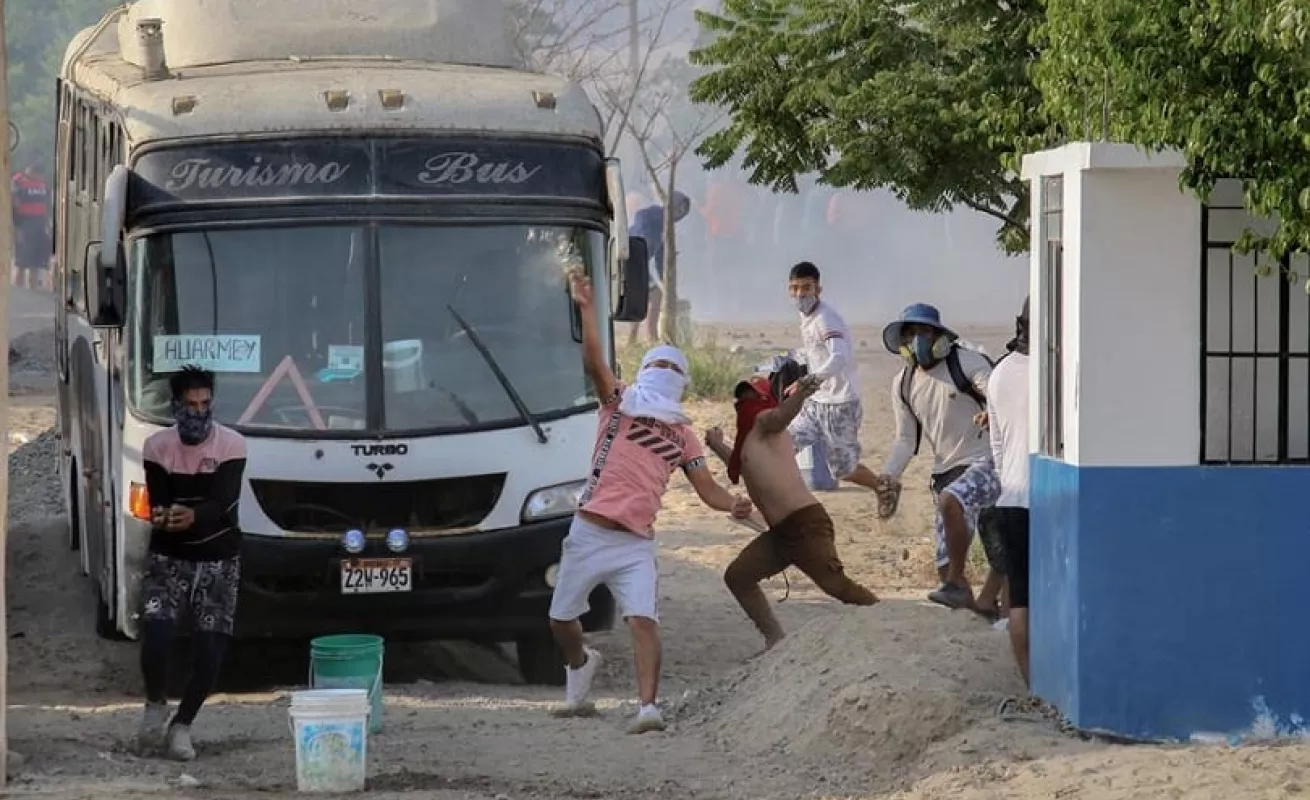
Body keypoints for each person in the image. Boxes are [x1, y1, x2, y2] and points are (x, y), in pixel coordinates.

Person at [549, 272, 752, 734]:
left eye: (673, 368)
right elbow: (594, 362)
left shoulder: (683, 435)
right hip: (588, 532)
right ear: (643, 370)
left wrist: (733, 506)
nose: (664, 372)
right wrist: (586, 308)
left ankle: (647, 708)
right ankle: (580, 666)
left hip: (635, 543)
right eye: (658, 364)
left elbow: (708, 489)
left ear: (683, 381)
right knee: (561, 621)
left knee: (643, 620)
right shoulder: (618, 402)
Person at [703, 373, 878, 649]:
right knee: (738, 576)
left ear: (763, 399)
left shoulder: (764, 422)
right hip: (782, 533)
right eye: (742, 398)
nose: (745, 403)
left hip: (804, 524)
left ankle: (886, 617)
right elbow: (745, 466)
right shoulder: (750, 439)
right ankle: (775, 639)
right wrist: (717, 446)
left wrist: (800, 395)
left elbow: (780, 416)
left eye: (751, 397)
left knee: (838, 587)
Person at [137, 366, 248, 761]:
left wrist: (193, 516)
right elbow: (159, 499)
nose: (199, 412)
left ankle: (183, 724)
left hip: (218, 558)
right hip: (169, 556)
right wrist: (166, 516)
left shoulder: (232, 445)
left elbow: (225, 503)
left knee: (210, 649)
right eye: (191, 405)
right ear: (176, 406)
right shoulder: (157, 447)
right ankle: (155, 702)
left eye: (205, 404)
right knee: (157, 637)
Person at [876, 303, 1000, 611]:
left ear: (940, 337)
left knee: (954, 504)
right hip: (946, 470)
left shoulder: (968, 363)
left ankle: (960, 584)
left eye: (925, 332)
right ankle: (976, 605)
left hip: (986, 461)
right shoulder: (903, 383)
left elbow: (1000, 397)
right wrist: (889, 474)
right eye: (911, 333)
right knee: (945, 563)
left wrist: (993, 412)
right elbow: (906, 439)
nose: (918, 340)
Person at [783, 261, 883, 492]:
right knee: (785, 444)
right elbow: (818, 352)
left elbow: (839, 356)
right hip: (816, 402)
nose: (800, 294)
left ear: (818, 289)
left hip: (840, 403)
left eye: (806, 288)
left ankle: (883, 487)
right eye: (795, 288)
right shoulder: (806, 318)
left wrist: (809, 381)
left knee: (844, 470)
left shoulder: (825, 319)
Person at [987, 298, 1032, 684]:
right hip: (1050, 498)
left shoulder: (999, 373)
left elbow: (997, 447)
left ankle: (1032, 685)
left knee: (1020, 600)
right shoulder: (1054, 371)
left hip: (1012, 498)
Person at [627, 191, 692, 345]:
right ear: (671, 205)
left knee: (651, 296)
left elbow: (660, 258)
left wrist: (667, 283)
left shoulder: (666, 229)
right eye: (678, 209)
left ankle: (640, 337)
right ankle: (648, 337)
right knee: (649, 296)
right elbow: (640, 217)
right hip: (631, 258)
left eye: (682, 212)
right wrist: (646, 237)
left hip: (639, 263)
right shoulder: (654, 214)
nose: (679, 214)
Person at [12, 165, 51, 291]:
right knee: (22, 262)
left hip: (39, 225)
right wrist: (17, 228)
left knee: (36, 263)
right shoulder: (18, 182)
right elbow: (14, 206)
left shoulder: (43, 184)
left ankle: (33, 290)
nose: (40, 177)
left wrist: (47, 225)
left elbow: (46, 205)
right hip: (24, 225)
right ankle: (19, 291)